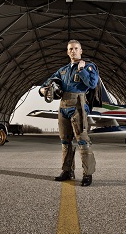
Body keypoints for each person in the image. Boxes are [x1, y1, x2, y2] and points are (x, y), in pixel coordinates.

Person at [40, 40, 99, 186]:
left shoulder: (89, 67)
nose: (73, 51)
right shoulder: (63, 70)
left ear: (81, 51)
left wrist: (81, 70)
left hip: (78, 104)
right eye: (70, 49)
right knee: (65, 141)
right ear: (67, 52)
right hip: (63, 106)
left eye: (76, 48)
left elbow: (92, 84)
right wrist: (42, 90)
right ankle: (67, 171)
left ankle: (87, 174)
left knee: (82, 140)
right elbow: (48, 82)